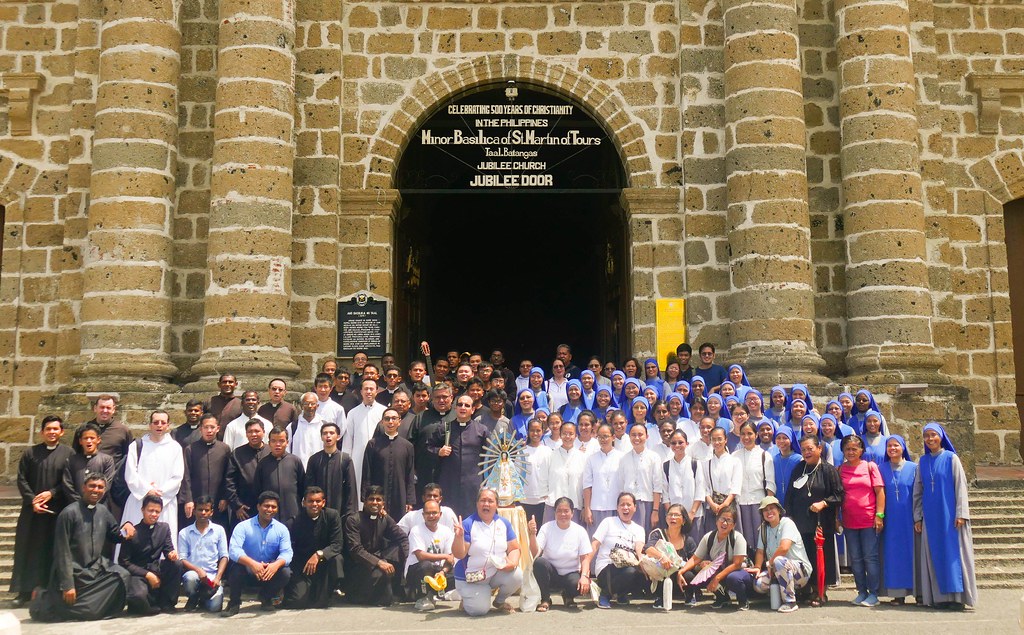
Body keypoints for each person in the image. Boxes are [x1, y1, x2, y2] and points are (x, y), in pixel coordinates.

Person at [29, 474, 135, 622]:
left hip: (95, 568)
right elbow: (62, 552)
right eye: (92, 486)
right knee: (87, 612)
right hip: (74, 572)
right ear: (83, 487)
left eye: (100, 487)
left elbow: (116, 535)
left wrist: (127, 526)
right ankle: (43, 598)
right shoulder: (68, 513)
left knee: (123, 576)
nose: (95, 490)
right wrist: (67, 585)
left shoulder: (103, 511)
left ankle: (88, 608)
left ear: (104, 490)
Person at [11, 415, 75, 604]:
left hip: (55, 511)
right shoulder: (30, 453)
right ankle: (23, 592)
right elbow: (21, 479)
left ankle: (50, 590)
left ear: (61, 432)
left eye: (56, 429)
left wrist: (51, 493)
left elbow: (68, 480)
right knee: (28, 549)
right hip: (32, 512)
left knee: (52, 549)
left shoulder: (68, 453)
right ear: (42, 432)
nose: (52, 432)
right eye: (48, 429)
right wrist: (33, 501)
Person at [914, 422, 978, 609]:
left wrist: (961, 513)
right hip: (931, 517)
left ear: (941, 436)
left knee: (953, 555)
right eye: (927, 436)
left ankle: (957, 599)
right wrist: (918, 517)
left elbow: (960, 487)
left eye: (933, 435)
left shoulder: (952, 459)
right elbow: (918, 491)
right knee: (934, 556)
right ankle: (939, 598)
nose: (930, 438)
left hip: (951, 517)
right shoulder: (923, 462)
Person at [784, 434, 843, 606]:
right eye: (803, 450)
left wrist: (824, 503)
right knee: (804, 557)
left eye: (810, 449)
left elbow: (838, 495)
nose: (807, 453)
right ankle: (806, 589)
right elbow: (790, 494)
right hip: (801, 523)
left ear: (819, 448)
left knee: (821, 558)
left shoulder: (828, 470)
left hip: (821, 523)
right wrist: (789, 517)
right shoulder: (799, 468)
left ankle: (821, 592)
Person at [452, 487, 523, 615]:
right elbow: (459, 554)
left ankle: (499, 601)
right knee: (479, 611)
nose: (486, 504)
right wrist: (458, 537)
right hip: (471, 577)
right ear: (477, 504)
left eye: (490, 501)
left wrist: (512, 563)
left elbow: (514, 548)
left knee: (517, 575)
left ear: (496, 505)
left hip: (494, 573)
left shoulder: (504, 523)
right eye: (483, 500)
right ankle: (468, 599)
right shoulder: (468, 524)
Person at [122, 410, 184, 550]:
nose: (159, 425)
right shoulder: (137, 446)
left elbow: (177, 476)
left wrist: (159, 493)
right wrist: (147, 490)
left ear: (168, 425)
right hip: (139, 500)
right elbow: (131, 473)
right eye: (156, 422)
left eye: (163, 422)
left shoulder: (175, 448)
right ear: (149, 425)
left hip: (164, 502)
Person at [224, 490, 293, 616]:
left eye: (273, 507)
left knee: (285, 572)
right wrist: (252, 564)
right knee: (236, 568)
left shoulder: (281, 529)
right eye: (266, 506)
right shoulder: (243, 526)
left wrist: (274, 565)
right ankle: (234, 603)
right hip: (248, 570)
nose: (270, 509)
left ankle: (266, 598)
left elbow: (287, 553)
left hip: (269, 572)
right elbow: (234, 550)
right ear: (258, 507)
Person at [839, 433, 885, 607]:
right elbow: (838, 495)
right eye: (847, 449)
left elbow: (880, 492)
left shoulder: (870, 466)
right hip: (849, 521)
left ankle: (873, 594)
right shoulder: (840, 469)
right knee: (855, 559)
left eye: (854, 449)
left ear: (861, 450)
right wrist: (837, 518)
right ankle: (861, 592)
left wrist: (879, 515)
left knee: (870, 557)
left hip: (869, 520)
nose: (850, 452)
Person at [677, 504, 752, 610]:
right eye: (722, 519)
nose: (724, 523)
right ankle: (722, 598)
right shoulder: (709, 537)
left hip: (739, 572)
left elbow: (737, 564)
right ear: (716, 521)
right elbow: (695, 558)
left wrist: (717, 578)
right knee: (701, 571)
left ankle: (743, 600)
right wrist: (681, 571)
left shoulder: (738, 538)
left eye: (729, 520)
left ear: (734, 525)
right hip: (720, 571)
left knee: (733, 578)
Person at [343, 486, 409, 606]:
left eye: (378, 500)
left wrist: (407, 561)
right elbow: (356, 550)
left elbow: (402, 537)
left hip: (379, 561)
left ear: (383, 503)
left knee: (398, 550)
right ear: (365, 501)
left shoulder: (384, 518)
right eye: (371, 499)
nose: (375, 503)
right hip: (359, 565)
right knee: (380, 575)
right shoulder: (353, 520)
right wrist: (379, 563)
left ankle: (395, 590)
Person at [119, 494, 182, 615]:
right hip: (138, 573)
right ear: (142, 510)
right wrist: (147, 574)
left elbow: (168, 549)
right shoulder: (132, 531)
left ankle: (167, 604)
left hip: (156, 568)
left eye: (157, 511)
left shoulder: (164, 528)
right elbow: (123, 562)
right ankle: (147, 607)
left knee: (177, 564)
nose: (154, 514)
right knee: (138, 596)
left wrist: (171, 554)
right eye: (150, 510)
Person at [428, 394, 489, 517]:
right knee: (449, 516)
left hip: (472, 483)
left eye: (467, 405)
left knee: (471, 516)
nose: (463, 407)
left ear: (472, 410)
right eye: (460, 404)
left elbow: (489, 455)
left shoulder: (482, 430)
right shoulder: (444, 428)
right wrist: (439, 451)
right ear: (455, 408)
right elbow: (428, 448)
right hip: (448, 482)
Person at [284, 486, 345, 609]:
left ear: (323, 503)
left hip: (324, 562)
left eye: (318, 501)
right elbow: (289, 548)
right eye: (311, 501)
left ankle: (332, 590)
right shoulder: (295, 521)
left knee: (337, 559)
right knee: (298, 602)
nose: (314, 504)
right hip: (303, 566)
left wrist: (318, 554)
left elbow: (337, 544)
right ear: (304, 502)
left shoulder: (332, 516)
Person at [582, 491, 646, 608]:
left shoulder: (639, 529)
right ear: (617, 508)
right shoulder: (608, 522)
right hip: (607, 566)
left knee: (636, 573)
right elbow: (595, 545)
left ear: (635, 508)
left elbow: (639, 549)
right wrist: (585, 570)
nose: (625, 508)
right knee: (629, 572)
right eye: (622, 505)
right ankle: (605, 594)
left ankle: (621, 594)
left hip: (627, 566)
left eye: (628, 505)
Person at [527, 496, 591, 611]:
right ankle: (545, 599)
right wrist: (532, 534)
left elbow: (585, 558)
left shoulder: (580, 531)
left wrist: (585, 576)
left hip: (571, 573)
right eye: (559, 511)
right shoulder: (547, 528)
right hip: (551, 574)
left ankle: (568, 597)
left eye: (566, 511)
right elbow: (535, 553)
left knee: (577, 585)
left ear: (572, 513)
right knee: (539, 562)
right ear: (555, 513)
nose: (563, 514)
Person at [748, 496, 811, 613]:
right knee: (758, 584)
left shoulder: (787, 523)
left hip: (800, 572)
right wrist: (757, 567)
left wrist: (770, 563)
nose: (769, 512)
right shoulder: (763, 528)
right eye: (765, 510)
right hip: (777, 569)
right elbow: (760, 551)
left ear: (779, 510)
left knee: (779, 561)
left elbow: (784, 548)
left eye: (772, 508)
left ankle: (790, 601)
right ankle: (778, 592)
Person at [879, 434, 918, 604]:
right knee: (893, 556)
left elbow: (919, 494)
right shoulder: (881, 469)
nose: (892, 449)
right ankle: (898, 594)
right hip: (890, 521)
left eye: (896, 445)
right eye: (889, 446)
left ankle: (920, 592)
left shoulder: (914, 468)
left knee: (914, 555)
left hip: (910, 519)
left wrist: (919, 517)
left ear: (903, 447)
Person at [178, 495, 229, 613]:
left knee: (214, 607)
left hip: (212, 577)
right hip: (194, 574)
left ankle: (201, 599)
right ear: (195, 511)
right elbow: (182, 559)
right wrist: (198, 570)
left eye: (207, 510)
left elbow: (224, 556)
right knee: (190, 578)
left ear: (211, 512)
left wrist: (218, 577)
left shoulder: (219, 530)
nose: (203, 513)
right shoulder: (184, 533)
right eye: (200, 510)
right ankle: (193, 597)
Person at [361, 407, 416, 514]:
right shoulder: (373, 444)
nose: (390, 422)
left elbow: (410, 475)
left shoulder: (407, 446)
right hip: (377, 496)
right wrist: (365, 497)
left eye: (394, 418)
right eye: (387, 419)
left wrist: (409, 500)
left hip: (399, 495)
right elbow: (366, 473)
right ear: (382, 422)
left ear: (399, 422)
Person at [180, 412, 231, 527]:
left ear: (217, 429)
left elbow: (227, 476)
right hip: (196, 501)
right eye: (206, 427)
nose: (209, 430)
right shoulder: (190, 449)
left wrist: (225, 497)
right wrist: (188, 499)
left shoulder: (224, 449)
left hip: (218, 501)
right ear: (200, 429)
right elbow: (186, 476)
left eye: (212, 427)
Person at [405, 498, 456, 611]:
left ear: (440, 514)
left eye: (434, 513)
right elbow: (421, 556)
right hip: (417, 571)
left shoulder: (446, 531)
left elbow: (451, 557)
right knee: (426, 566)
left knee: (459, 573)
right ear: (423, 515)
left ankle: (435, 594)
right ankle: (423, 597)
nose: (431, 516)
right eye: (428, 513)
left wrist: (443, 572)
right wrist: (444, 556)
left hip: (437, 571)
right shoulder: (416, 530)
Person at [732, 421, 775, 550]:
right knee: (743, 538)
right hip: (740, 503)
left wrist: (769, 506)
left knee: (761, 537)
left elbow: (770, 483)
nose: (746, 437)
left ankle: (762, 565)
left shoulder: (764, 455)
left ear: (756, 435)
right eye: (743, 434)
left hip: (759, 502)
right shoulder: (734, 456)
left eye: (749, 434)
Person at [304, 422, 359, 519]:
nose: (328, 436)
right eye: (325, 433)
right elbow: (309, 487)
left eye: (331, 433)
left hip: (340, 513)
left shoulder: (345, 459)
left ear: (338, 437)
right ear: (321, 437)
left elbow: (351, 489)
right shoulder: (314, 459)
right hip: (319, 513)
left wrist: (349, 514)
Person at [647, 502, 697, 608]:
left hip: (680, 580)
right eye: (670, 514)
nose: (672, 518)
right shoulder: (658, 534)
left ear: (683, 520)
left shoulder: (688, 540)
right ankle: (659, 598)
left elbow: (694, 561)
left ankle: (689, 596)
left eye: (676, 515)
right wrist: (662, 557)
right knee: (661, 571)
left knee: (689, 575)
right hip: (663, 575)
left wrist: (682, 572)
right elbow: (648, 549)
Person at [224, 418, 270, 530]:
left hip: (269, 508)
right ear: (246, 434)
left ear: (263, 432)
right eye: (250, 432)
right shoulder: (237, 454)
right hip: (244, 508)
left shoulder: (271, 451)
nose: (253, 434)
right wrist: (237, 506)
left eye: (257, 431)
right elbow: (230, 482)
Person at [409, 383, 455, 496]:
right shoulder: (421, 417)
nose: (441, 400)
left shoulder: (458, 415)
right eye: (437, 397)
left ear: (452, 397)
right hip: (426, 472)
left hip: (451, 473)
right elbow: (411, 444)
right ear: (432, 399)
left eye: (445, 397)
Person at [254, 427, 306, 525]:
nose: (277, 444)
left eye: (281, 441)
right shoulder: (263, 464)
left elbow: (302, 487)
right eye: (274, 441)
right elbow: (257, 489)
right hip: (269, 515)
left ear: (287, 442)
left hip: (292, 514)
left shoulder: (295, 461)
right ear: (269, 443)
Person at [345, 378, 387, 498]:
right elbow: (348, 439)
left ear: (376, 391)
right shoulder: (353, 413)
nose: (369, 391)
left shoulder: (384, 411)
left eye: (371, 389)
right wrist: (347, 460)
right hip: (358, 457)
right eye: (366, 389)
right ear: (361, 391)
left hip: (379, 455)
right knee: (358, 486)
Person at [619, 422, 663, 534]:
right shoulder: (624, 458)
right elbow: (621, 484)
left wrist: (655, 510)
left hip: (647, 503)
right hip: (628, 505)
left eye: (640, 434)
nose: (637, 438)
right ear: (629, 437)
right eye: (633, 435)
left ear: (647, 436)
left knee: (646, 536)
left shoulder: (654, 457)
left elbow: (657, 486)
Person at [581, 423, 625, 537]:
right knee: (595, 542)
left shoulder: (622, 458)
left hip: (616, 508)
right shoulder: (591, 459)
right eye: (600, 437)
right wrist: (587, 509)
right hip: (596, 507)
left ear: (613, 437)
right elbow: (587, 485)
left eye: (606, 436)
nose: (603, 440)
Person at [697, 425, 741, 536]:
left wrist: (725, 504)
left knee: (731, 538)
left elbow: (736, 485)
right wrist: (712, 504)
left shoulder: (735, 461)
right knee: (712, 537)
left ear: (725, 440)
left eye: (719, 439)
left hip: (730, 506)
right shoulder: (706, 463)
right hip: (713, 508)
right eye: (714, 439)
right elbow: (703, 486)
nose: (717, 442)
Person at [63, 422, 117, 507]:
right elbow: (67, 485)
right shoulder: (71, 460)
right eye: (86, 438)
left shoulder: (107, 460)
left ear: (98, 440)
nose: (89, 441)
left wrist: (94, 503)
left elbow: (107, 485)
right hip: (76, 507)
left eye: (92, 438)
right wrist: (80, 504)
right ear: (80, 441)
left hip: (100, 507)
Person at [547, 420, 586, 521]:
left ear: (576, 436)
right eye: (564, 433)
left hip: (575, 505)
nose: (568, 437)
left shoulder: (582, 457)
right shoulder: (551, 455)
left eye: (571, 434)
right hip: (553, 504)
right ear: (560, 435)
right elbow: (544, 481)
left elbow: (585, 483)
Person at [521, 418, 552, 522]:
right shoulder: (521, 452)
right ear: (528, 432)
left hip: (543, 499)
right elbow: (517, 475)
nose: (535, 433)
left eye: (538, 430)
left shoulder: (548, 451)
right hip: (525, 499)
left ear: (543, 431)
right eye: (532, 430)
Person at [290, 392, 328, 468]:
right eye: (306, 403)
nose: (310, 406)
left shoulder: (324, 426)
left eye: (313, 403)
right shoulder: (293, 426)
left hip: (320, 468)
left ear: (317, 406)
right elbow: (287, 449)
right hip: (299, 470)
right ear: (301, 406)